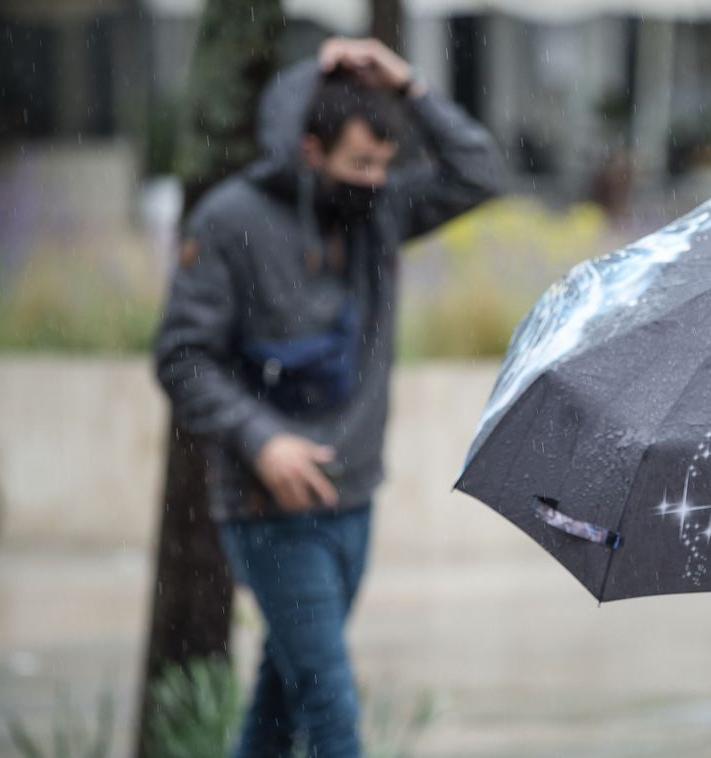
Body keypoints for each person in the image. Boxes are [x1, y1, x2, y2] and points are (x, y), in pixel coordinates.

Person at [154, 37, 502, 757]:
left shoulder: (380, 212)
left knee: (281, 700)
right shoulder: (229, 220)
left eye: (383, 165)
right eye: (358, 164)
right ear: (309, 149)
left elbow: (482, 171)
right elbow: (181, 356)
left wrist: (408, 87)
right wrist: (262, 439)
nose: (374, 181)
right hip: (267, 506)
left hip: (353, 495)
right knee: (330, 701)